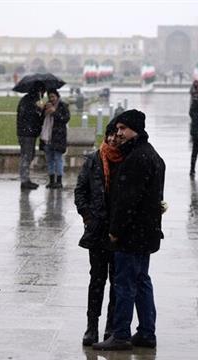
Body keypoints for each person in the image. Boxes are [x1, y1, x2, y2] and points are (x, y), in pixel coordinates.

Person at [92, 109, 165, 351]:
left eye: (123, 129)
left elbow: (127, 202)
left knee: (124, 283)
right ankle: (146, 332)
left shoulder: (136, 158)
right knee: (142, 280)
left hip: (132, 235)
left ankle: (121, 334)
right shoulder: (150, 154)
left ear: (135, 129)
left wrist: (115, 231)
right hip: (145, 233)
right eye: (117, 129)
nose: (119, 133)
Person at [74, 119, 121, 345]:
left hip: (119, 231)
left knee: (117, 281)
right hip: (97, 230)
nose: (112, 138)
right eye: (109, 134)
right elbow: (80, 191)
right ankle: (91, 326)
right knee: (97, 279)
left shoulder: (125, 161)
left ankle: (111, 327)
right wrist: (88, 216)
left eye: (116, 135)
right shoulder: (94, 159)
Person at [40, 89, 70, 189]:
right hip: (46, 137)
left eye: (53, 96)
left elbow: (65, 119)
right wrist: (43, 111)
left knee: (58, 159)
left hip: (58, 138)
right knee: (49, 160)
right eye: (50, 97)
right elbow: (41, 120)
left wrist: (54, 112)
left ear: (57, 96)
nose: (51, 99)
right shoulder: (47, 106)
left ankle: (59, 181)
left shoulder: (63, 106)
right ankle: (52, 181)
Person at [16, 83, 45, 190]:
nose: (43, 94)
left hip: (28, 133)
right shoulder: (29, 102)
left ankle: (26, 179)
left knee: (29, 155)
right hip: (26, 134)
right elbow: (28, 117)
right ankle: (24, 181)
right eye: (43, 91)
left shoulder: (28, 100)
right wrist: (38, 110)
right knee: (27, 156)